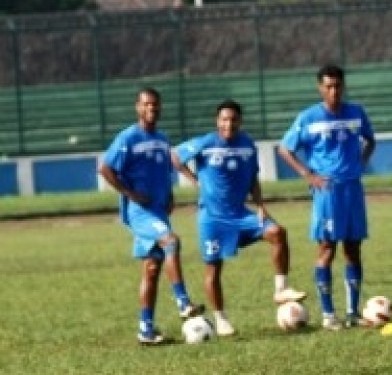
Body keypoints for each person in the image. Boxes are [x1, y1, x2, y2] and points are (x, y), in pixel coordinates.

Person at [172, 99, 307, 337]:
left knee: (277, 232)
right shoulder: (206, 142)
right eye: (224, 119)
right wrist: (195, 180)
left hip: (242, 215)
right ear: (217, 121)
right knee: (213, 269)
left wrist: (260, 206)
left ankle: (281, 289)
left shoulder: (247, 144)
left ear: (240, 121)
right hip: (213, 219)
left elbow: (253, 178)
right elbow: (174, 156)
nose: (228, 124)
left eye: (233, 119)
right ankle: (221, 319)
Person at [98, 87, 204, 345]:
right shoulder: (128, 138)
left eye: (155, 105)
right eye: (146, 105)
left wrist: (169, 195)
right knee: (171, 241)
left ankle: (146, 329)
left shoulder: (162, 138)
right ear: (138, 107)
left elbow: (165, 169)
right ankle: (183, 302)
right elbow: (105, 167)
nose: (151, 109)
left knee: (152, 268)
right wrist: (129, 193)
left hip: (157, 209)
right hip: (140, 210)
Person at [278, 64, 377, 330]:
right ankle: (329, 314)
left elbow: (370, 139)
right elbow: (285, 149)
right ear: (320, 88)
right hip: (327, 190)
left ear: (343, 87)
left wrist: (360, 163)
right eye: (328, 86)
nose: (334, 91)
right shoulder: (309, 117)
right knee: (327, 249)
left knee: (353, 249)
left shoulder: (356, 113)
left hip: (352, 188)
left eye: (337, 86)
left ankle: (353, 312)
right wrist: (308, 174)